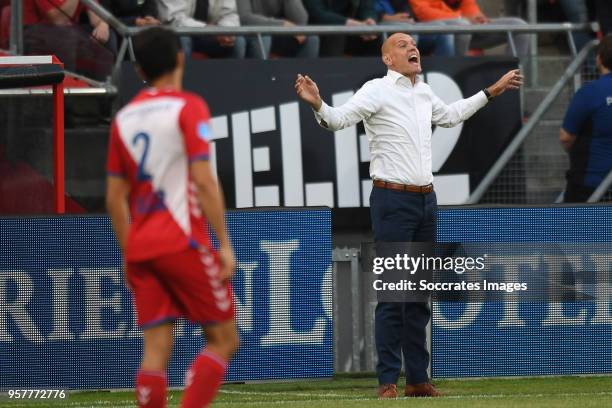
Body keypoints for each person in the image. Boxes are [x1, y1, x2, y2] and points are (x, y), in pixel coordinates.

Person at [295, 32, 522, 398]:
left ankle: (418, 379)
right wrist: (318, 104)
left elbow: (450, 117)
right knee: (394, 295)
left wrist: (491, 90)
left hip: (425, 201)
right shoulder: (376, 90)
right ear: (387, 59)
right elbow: (338, 121)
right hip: (392, 201)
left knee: (418, 295)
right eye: (402, 45)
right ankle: (387, 381)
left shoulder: (424, 91)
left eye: (413, 43)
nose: (412, 47)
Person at [106, 27, 239, 408]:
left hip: (142, 247)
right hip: (182, 241)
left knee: (156, 348)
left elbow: (115, 199)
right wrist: (225, 244)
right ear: (181, 58)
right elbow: (203, 180)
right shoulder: (188, 106)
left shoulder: (124, 119)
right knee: (225, 339)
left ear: (138, 69)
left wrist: (129, 253)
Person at [560, 34, 612, 202]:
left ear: (599, 58)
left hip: (590, 184)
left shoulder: (590, 92)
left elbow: (566, 138)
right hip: (593, 182)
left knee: (577, 228)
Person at [23, 0, 115, 79]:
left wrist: (103, 24)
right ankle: (67, 91)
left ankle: (103, 93)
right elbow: (58, 20)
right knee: (66, 36)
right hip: (33, 33)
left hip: (69, 34)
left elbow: (95, 13)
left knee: (107, 37)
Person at [409, 0, 530, 58]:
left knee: (519, 26)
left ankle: (511, 80)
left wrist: (478, 18)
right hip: (434, 31)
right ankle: (458, 75)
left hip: (466, 26)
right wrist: (463, 17)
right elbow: (423, 13)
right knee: (462, 24)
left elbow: (469, 6)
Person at [157, 0, 246, 58]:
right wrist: (209, 30)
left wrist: (226, 32)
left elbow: (229, 14)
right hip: (176, 32)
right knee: (183, 39)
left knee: (238, 41)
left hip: (211, 34)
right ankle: (185, 83)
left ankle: (231, 83)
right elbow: (174, 19)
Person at [237, 0, 319, 58]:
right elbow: (244, 18)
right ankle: (260, 78)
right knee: (264, 38)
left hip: (277, 34)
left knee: (311, 39)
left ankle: (303, 80)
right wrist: (282, 24)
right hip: (251, 33)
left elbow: (301, 20)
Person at [374, 0, 455, 56]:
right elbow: (369, 12)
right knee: (409, 31)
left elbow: (407, 8)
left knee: (443, 29)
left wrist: (408, 17)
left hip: (408, 23)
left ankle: (447, 73)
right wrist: (385, 17)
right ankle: (409, 74)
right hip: (381, 24)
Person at [302, 0, 381, 57]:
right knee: (335, 34)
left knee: (376, 36)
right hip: (321, 30)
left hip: (355, 30)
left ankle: (375, 76)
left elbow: (368, 8)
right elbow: (317, 13)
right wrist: (350, 24)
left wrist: (370, 21)